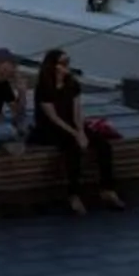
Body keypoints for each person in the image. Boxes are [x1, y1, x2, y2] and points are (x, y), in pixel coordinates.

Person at [33, 49, 123, 213]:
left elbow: (77, 112)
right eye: (63, 63)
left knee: (103, 145)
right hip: (50, 128)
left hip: (70, 123)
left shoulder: (72, 84)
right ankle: (73, 194)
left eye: (68, 62)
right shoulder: (44, 87)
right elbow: (53, 117)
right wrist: (75, 134)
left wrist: (81, 131)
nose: (67, 66)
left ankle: (107, 189)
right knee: (72, 148)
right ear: (53, 66)